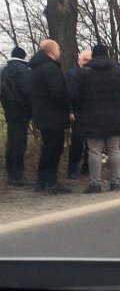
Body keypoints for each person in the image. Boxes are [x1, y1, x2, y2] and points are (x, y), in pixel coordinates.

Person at [71, 44, 120, 193]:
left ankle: (95, 184)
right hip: (115, 117)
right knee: (114, 150)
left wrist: (81, 110)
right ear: (107, 55)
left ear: (93, 55)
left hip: (91, 118)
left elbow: (75, 95)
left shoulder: (84, 73)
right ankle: (115, 183)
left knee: (94, 151)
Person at [29, 39, 71, 194]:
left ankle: (41, 181)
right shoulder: (51, 68)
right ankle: (51, 181)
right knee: (54, 149)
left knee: (47, 148)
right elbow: (58, 93)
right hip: (54, 115)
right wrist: (67, 107)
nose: (59, 51)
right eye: (58, 48)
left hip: (41, 114)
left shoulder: (36, 68)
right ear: (53, 51)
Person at [1, 46, 32, 186]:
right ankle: (18, 175)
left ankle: (10, 172)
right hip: (21, 110)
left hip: (9, 110)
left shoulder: (5, 70)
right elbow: (27, 91)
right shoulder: (22, 69)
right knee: (19, 143)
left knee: (12, 141)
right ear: (23, 56)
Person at [64, 50, 92, 179]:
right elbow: (67, 94)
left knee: (91, 143)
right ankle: (73, 169)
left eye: (89, 60)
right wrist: (70, 110)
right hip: (77, 113)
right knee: (77, 143)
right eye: (84, 60)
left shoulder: (93, 74)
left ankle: (87, 168)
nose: (87, 62)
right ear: (79, 60)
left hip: (91, 112)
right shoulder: (71, 74)